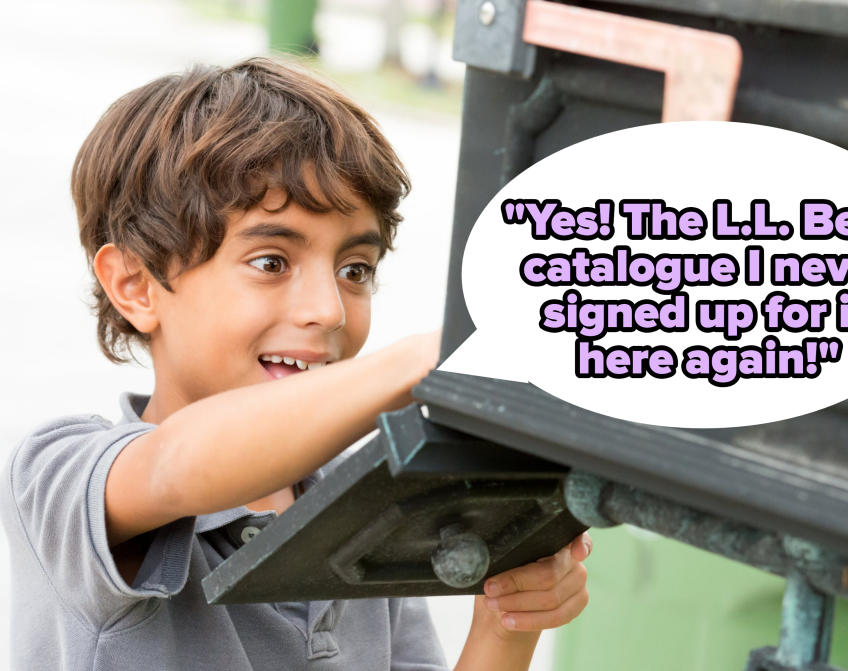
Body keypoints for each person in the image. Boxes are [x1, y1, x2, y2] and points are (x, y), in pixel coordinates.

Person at [0, 57, 590, 670]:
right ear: (136, 285)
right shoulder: (57, 478)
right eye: (271, 262)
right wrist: (424, 360)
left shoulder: (363, 505)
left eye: (354, 270)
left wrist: (508, 623)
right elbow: (176, 464)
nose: (329, 309)